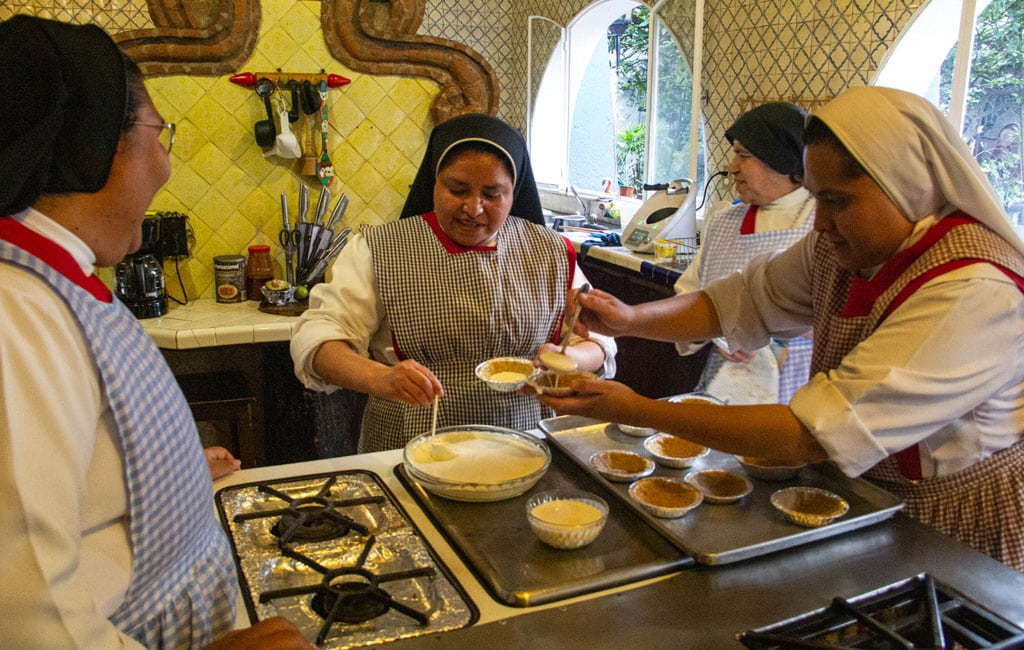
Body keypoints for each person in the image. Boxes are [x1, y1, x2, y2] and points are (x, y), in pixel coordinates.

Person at [537, 86, 1024, 572]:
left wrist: (641, 410)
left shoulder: (975, 290)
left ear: (906, 183)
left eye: (837, 201)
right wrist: (631, 319)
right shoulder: (842, 247)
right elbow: (742, 300)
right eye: (817, 200)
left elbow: (809, 433)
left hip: (952, 520)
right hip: (864, 493)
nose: (821, 224)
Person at [0, 15, 311, 648]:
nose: (166, 166)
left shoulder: (48, 280)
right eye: (158, 134)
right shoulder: (15, 313)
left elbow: (67, 482)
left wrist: (172, 474)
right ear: (94, 145)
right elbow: (24, 613)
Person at [291, 113, 616, 452]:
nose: (473, 208)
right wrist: (380, 378)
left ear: (514, 191)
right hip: (408, 442)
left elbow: (599, 341)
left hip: (527, 444)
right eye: (457, 189)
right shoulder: (380, 249)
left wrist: (568, 362)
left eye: (492, 194)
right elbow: (317, 340)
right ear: (434, 181)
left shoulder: (549, 250)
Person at [676, 102, 814, 404]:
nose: (732, 166)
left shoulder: (821, 224)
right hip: (724, 388)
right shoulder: (725, 222)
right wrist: (715, 332)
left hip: (801, 393)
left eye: (744, 155)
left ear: (781, 159)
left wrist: (766, 330)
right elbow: (688, 296)